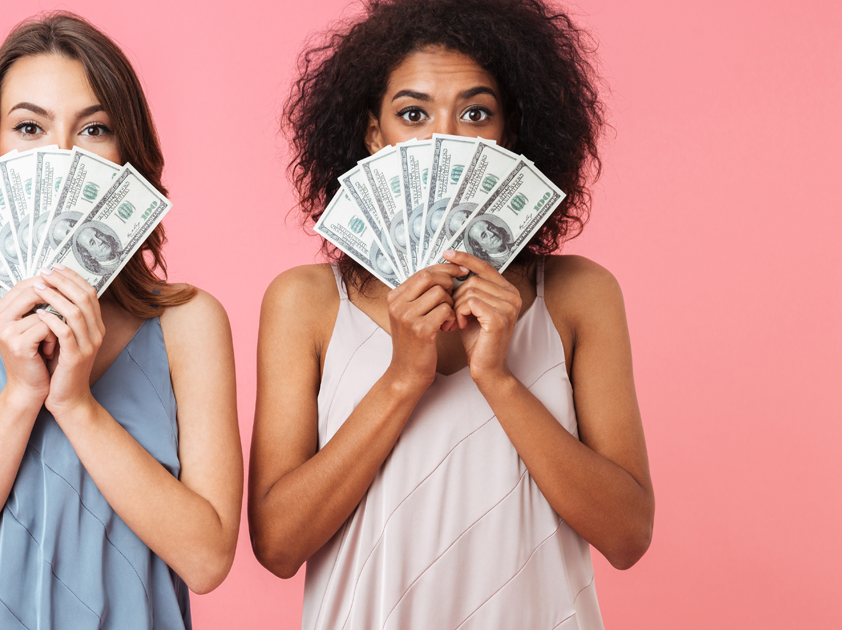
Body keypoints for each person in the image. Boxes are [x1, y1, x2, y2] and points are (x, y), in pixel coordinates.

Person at [249, 1, 654, 629]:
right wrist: (403, 377)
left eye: (475, 112)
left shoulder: (578, 294)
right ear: (372, 133)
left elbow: (628, 536)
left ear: (511, 133)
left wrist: (499, 378)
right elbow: (277, 547)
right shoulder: (304, 301)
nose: (446, 140)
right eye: (413, 114)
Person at [0, 13, 243, 629]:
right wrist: (22, 394)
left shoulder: (189, 323)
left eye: (95, 128)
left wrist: (76, 403)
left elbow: (207, 560)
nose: (62, 157)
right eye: (29, 127)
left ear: (127, 155)